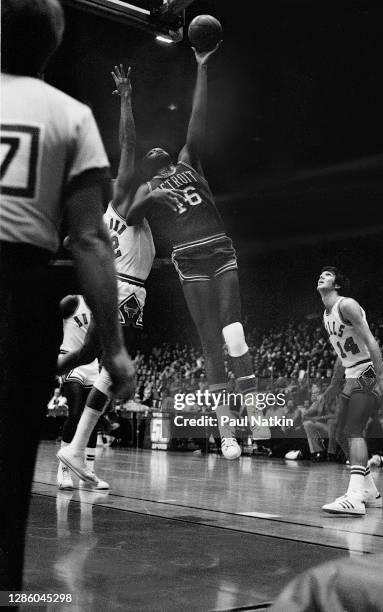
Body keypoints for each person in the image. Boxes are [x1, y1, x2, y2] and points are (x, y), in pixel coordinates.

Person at [0, 0, 135, 590]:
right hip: (19, 291)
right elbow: (89, 240)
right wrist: (114, 347)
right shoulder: (72, 115)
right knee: (9, 475)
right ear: (53, 44)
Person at [127, 43, 269, 460]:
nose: (156, 150)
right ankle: (227, 430)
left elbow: (197, 120)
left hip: (218, 249)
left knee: (233, 331)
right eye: (148, 154)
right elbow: (132, 214)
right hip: (187, 257)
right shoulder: (147, 187)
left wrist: (202, 67)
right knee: (210, 343)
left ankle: (256, 413)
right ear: (147, 166)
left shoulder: (189, 160)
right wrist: (152, 197)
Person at [57, 65, 155, 482]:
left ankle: (73, 452)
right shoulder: (124, 201)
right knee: (112, 367)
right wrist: (127, 98)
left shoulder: (105, 216)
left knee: (88, 359)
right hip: (127, 291)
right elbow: (129, 143)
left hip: (112, 288)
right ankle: (77, 450)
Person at [317, 266, 383, 515]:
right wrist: (332, 384)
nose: (322, 276)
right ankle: (370, 492)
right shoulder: (326, 313)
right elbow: (342, 354)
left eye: (328, 275)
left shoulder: (347, 305)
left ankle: (355, 497)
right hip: (351, 373)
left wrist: (382, 378)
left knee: (353, 430)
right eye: (321, 274)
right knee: (338, 432)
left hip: (367, 372)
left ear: (338, 284)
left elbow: (371, 341)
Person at [57, 294, 109, 490]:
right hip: (72, 361)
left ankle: (89, 472)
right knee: (75, 413)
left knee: (91, 419)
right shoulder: (72, 302)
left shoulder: (103, 307)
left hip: (92, 365)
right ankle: (63, 469)